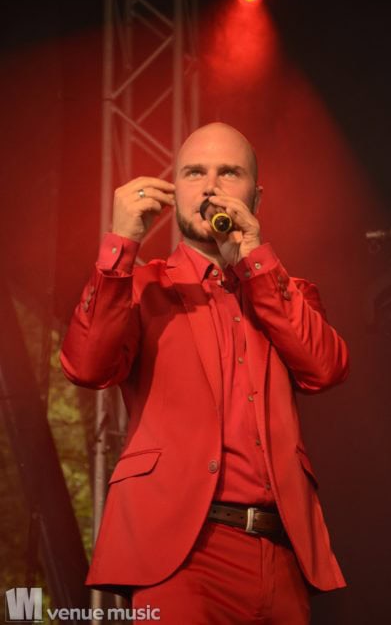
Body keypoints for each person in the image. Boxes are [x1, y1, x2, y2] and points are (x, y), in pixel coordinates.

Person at [60, 122, 349, 624]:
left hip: (281, 552)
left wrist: (256, 261)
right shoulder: (141, 286)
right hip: (179, 553)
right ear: (175, 190)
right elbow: (85, 367)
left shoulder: (286, 290)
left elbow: (325, 368)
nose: (211, 186)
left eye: (229, 173)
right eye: (195, 173)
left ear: (256, 196)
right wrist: (120, 243)